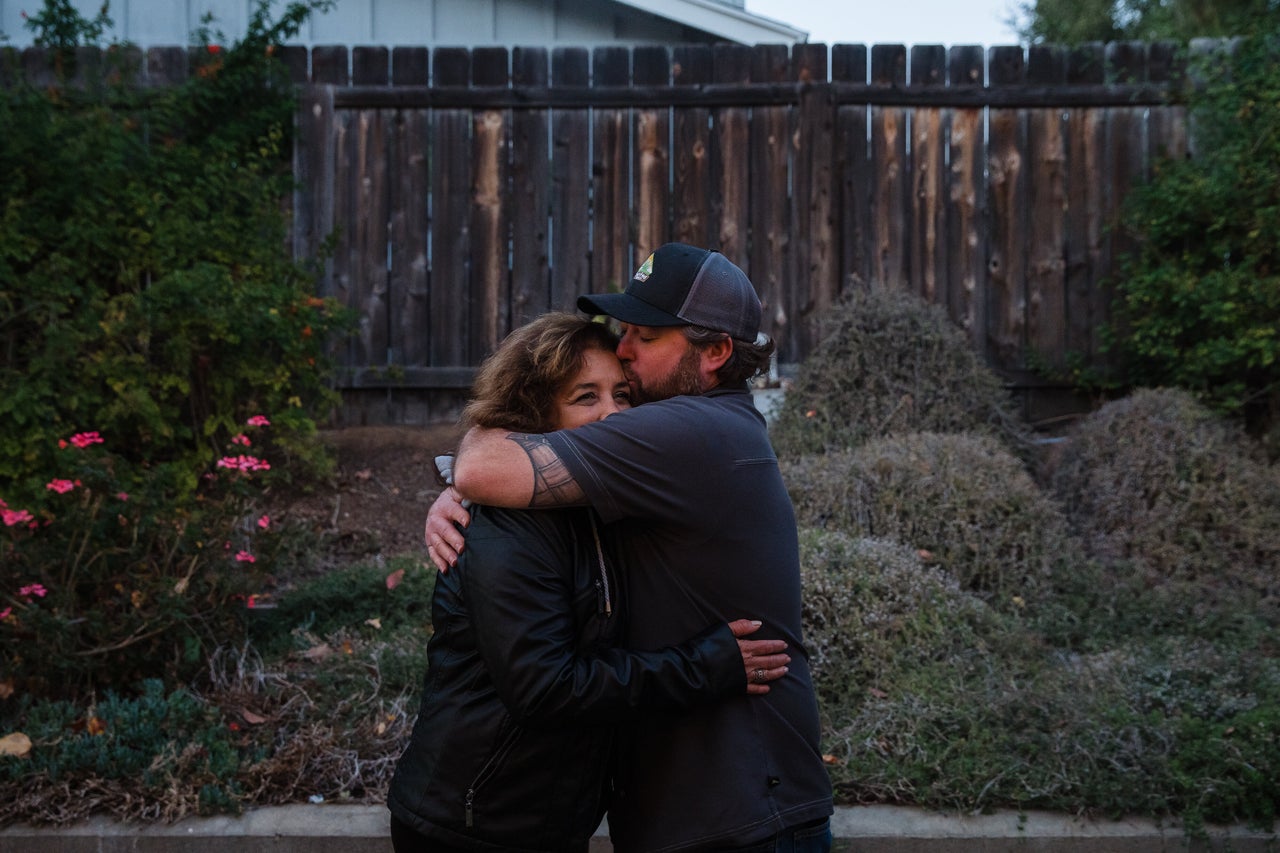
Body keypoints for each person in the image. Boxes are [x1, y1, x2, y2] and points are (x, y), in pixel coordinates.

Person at [425, 245, 835, 852]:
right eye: (624, 329)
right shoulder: (692, 436)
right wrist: (455, 493)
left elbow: (486, 467)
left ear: (715, 352)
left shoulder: (689, 432)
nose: (623, 347)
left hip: (741, 818)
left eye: (645, 335)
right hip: (710, 811)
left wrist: (467, 472)